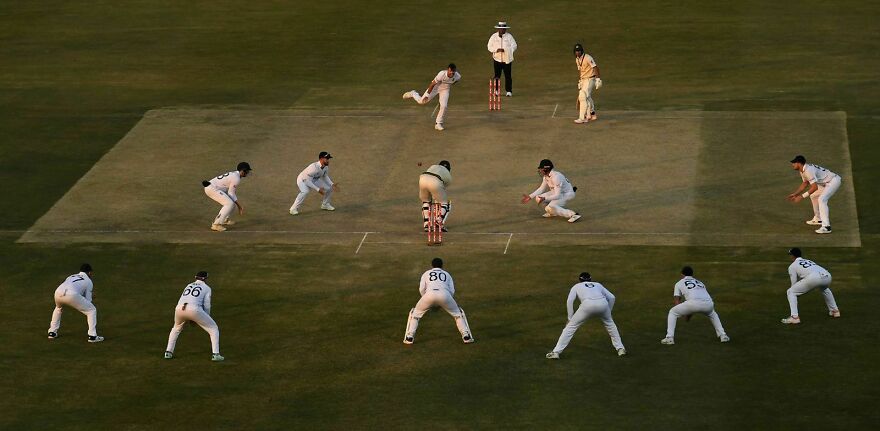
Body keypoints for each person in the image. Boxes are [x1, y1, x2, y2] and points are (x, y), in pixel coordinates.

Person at [546, 272, 626, 359]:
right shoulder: (598, 284)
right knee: (610, 325)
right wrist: (608, 312)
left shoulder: (576, 286)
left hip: (587, 304)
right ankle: (620, 349)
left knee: (570, 327)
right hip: (603, 303)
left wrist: (570, 318)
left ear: (580, 279)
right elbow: (612, 297)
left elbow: (570, 301)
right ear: (590, 279)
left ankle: (556, 352)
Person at [403, 258, 474, 345]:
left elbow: (421, 289)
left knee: (415, 314)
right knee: (458, 314)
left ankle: (409, 337)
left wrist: (426, 299)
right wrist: (445, 301)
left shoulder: (426, 273)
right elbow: (452, 290)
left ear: (432, 265)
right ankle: (466, 336)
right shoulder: (447, 274)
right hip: (445, 294)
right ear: (442, 265)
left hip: (429, 295)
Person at [660, 266, 730, 345]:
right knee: (713, 314)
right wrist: (688, 314)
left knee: (673, 312)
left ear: (682, 274)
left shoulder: (679, 283)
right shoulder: (700, 282)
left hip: (693, 304)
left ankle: (669, 338)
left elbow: (677, 300)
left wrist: (684, 314)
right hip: (708, 304)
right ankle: (723, 335)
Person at [164, 271, 224, 361]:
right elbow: (207, 305)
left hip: (179, 308)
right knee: (213, 328)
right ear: (205, 279)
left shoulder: (188, 285)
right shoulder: (207, 288)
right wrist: (205, 317)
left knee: (176, 328)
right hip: (194, 310)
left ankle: (168, 352)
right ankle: (216, 354)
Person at [47, 263, 104, 343]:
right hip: (71, 295)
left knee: (58, 308)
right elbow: (88, 301)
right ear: (89, 272)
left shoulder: (71, 276)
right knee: (91, 310)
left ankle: (52, 332)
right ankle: (93, 336)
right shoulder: (88, 281)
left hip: (58, 292)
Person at [781, 248, 840, 324]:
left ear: (792, 256)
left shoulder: (792, 266)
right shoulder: (808, 261)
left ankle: (794, 317)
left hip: (814, 277)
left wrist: (796, 293)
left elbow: (793, 283)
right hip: (827, 276)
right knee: (824, 289)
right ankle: (835, 311)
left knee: (791, 292)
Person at [786, 155, 842, 234]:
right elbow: (805, 183)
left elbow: (814, 187)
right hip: (825, 183)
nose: (792, 165)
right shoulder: (802, 170)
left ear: (799, 163)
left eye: (794, 163)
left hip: (833, 181)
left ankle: (826, 227)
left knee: (822, 199)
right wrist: (795, 194)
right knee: (814, 196)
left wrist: (802, 196)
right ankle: (818, 218)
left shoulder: (808, 170)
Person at [403, 64, 461, 131]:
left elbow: (455, 81)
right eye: (450, 71)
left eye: (453, 71)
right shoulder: (441, 74)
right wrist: (427, 95)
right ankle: (413, 93)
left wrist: (448, 85)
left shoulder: (458, 76)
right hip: (435, 88)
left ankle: (438, 123)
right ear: (448, 69)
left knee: (444, 106)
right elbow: (432, 84)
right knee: (421, 102)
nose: (451, 73)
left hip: (445, 90)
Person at [203, 162, 251, 232]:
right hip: (212, 189)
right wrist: (239, 206)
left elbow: (230, 193)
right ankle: (216, 225)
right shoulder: (236, 178)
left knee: (232, 204)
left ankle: (225, 219)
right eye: (247, 171)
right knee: (229, 204)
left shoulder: (235, 174)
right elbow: (231, 193)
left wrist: (237, 205)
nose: (248, 172)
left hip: (213, 187)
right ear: (243, 171)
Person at [573, 43, 602, 124]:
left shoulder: (588, 57)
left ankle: (582, 118)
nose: (577, 53)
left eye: (579, 51)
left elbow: (595, 67)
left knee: (582, 96)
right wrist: (580, 80)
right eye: (576, 51)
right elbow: (580, 70)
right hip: (584, 80)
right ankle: (591, 114)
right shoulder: (577, 59)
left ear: (582, 51)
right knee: (587, 97)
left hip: (590, 79)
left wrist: (598, 79)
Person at [487, 21, 517, 96]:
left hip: (507, 59)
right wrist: (496, 50)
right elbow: (489, 46)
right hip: (497, 59)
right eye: (501, 29)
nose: (502, 30)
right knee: (497, 76)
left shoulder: (509, 36)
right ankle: (496, 91)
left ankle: (509, 91)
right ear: (498, 29)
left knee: (508, 76)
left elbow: (514, 46)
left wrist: (507, 51)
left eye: (504, 29)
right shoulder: (494, 36)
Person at [419, 160, 452, 231]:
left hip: (422, 178)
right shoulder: (448, 176)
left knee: (426, 201)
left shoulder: (433, 166)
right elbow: (439, 190)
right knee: (445, 203)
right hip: (436, 181)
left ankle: (426, 224)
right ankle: (439, 220)